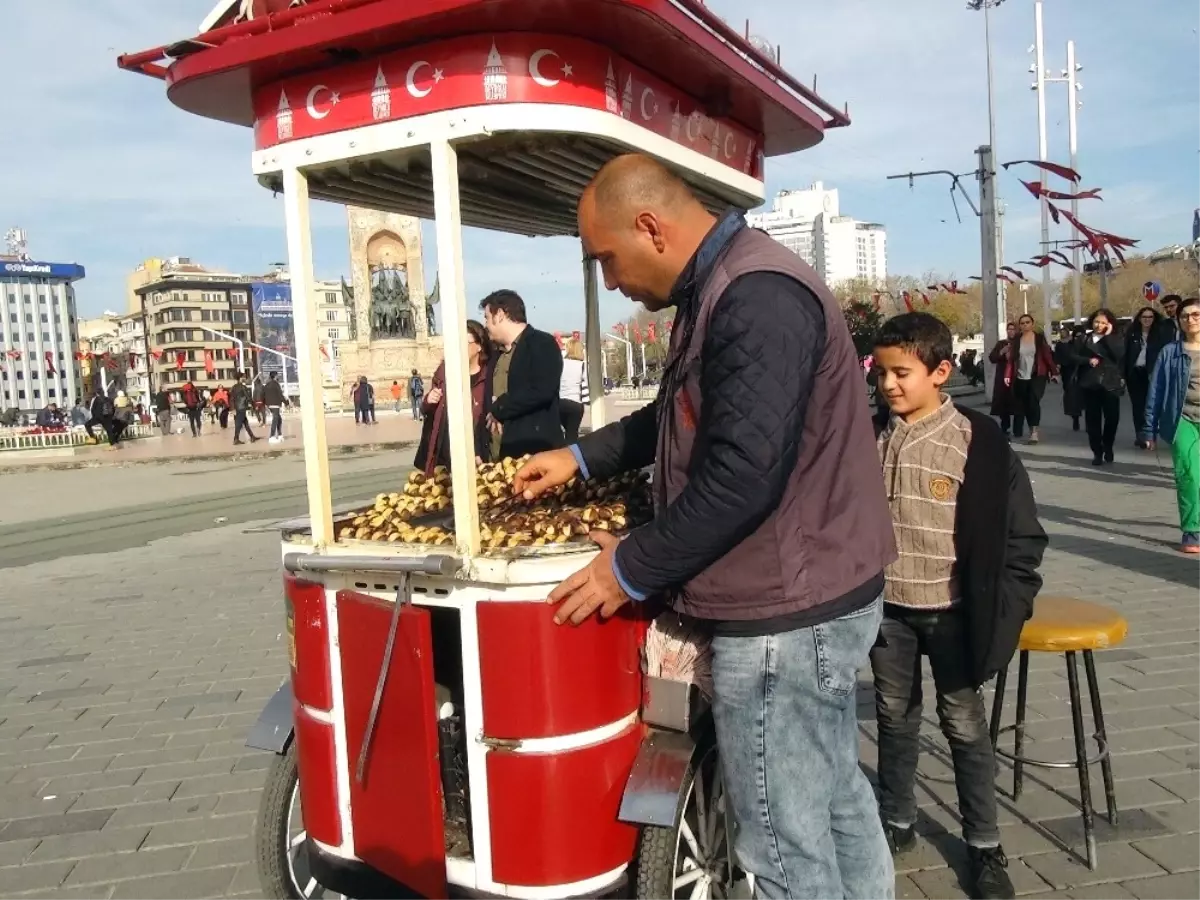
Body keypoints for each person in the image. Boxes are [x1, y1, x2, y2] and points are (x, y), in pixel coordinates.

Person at [512, 154, 897, 900]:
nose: (611, 281)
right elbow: (682, 415)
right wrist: (581, 458)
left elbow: (743, 476)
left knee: (783, 842)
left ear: (650, 227)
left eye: (607, 260)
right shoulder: (720, 287)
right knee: (835, 797)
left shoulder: (755, 297)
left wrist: (626, 568)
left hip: (784, 610)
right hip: (808, 591)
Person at [871, 313, 1046, 900]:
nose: (889, 385)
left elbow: (1022, 538)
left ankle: (984, 845)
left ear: (941, 371)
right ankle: (895, 822)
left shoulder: (979, 442)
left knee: (964, 726)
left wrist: (1009, 606)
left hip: (954, 614)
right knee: (895, 718)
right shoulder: (871, 436)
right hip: (888, 612)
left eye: (902, 373)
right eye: (881, 373)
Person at [1142, 297, 1200, 552]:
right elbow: (1156, 391)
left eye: (1196, 314)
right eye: (1185, 316)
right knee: (1188, 475)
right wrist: (1149, 429)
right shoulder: (1170, 352)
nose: (1191, 319)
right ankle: (1192, 531)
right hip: (1183, 420)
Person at [480, 289, 565, 458]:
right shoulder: (496, 354)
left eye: (487, 318)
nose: (486, 325)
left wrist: (501, 407)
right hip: (499, 455)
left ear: (500, 315)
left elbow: (542, 390)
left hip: (533, 451)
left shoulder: (541, 343)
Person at [415, 320, 494, 472]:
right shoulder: (444, 370)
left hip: (475, 453)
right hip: (445, 451)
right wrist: (428, 401)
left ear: (479, 346)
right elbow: (427, 410)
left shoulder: (489, 376)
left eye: (464, 342)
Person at [1074, 308, 1125, 466]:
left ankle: (1108, 445)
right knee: (1092, 420)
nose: (1099, 325)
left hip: (1110, 383)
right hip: (1090, 383)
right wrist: (1087, 361)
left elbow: (1119, 355)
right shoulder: (1084, 339)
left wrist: (1108, 336)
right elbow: (1072, 356)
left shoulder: (1116, 338)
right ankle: (1097, 451)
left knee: (1112, 418)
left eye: (1103, 322)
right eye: (1097, 321)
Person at [1004, 314, 1058, 443]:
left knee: (1033, 401)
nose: (1025, 325)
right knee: (1026, 404)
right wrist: (1007, 374)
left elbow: (1047, 356)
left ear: (1032, 324)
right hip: (1021, 376)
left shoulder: (1039, 339)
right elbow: (1012, 360)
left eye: (1027, 322)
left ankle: (1034, 432)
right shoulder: (1017, 340)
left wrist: (1054, 372)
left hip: (1037, 375)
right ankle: (1030, 428)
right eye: (1022, 323)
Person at [1126, 306, 1161, 447]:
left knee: (1151, 405)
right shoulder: (1132, 334)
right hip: (1135, 373)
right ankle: (1140, 435)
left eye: (1150, 317)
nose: (1147, 320)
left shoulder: (1159, 334)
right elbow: (1125, 355)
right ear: (1139, 319)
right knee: (1138, 406)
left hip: (1152, 373)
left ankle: (1150, 435)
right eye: (1144, 317)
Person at [988, 323, 1017, 436]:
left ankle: (1017, 429)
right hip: (1003, 376)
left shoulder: (1020, 343)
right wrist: (1002, 352)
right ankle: (1005, 427)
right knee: (1003, 402)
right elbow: (992, 358)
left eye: (1013, 329)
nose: (1011, 332)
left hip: (1017, 376)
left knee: (1017, 402)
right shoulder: (1001, 344)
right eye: (1009, 329)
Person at [558, 336, 589, 444]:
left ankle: (558, 454)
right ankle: (570, 457)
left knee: (559, 433)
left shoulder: (560, 363)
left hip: (559, 403)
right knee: (572, 434)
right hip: (575, 403)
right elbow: (587, 383)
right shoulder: (583, 365)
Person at [1054, 326, 1085, 432]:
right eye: (1061, 332)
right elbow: (1057, 356)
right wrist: (1057, 366)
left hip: (1079, 369)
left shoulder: (1075, 343)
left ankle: (1087, 418)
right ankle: (1075, 417)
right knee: (1070, 394)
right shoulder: (1059, 344)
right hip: (1066, 370)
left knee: (1082, 395)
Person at [1147, 293, 1182, 375]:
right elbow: (1154, 349)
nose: (1169, 309)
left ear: (1180, 305)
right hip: (1168, 367)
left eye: (1172, 306)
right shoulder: (1162, 326)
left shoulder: (1191, 322)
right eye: (1166, 307)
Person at [230, 372, 259, 445]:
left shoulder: (234, 387)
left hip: (237, 408)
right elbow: (248, 397)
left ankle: (252, 436)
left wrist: (233, 408)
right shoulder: (243, 387)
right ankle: (236, 439)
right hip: (241, 407)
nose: (245, 378)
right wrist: (254, 405)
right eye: (243, 377)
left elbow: (231, 399)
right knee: (238, 424)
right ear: (240, 378)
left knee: (245, 423)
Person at [263, 371, 288, 443]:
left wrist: (266, 404)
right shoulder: (276, 384)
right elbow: (280, 395)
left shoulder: (267, 385)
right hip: (275, 404)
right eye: (277, 375)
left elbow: (263, 395)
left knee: (279, 419)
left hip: (270, 405)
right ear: (275, 376)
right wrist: (286, 402)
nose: (278, 377)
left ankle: (280, 435)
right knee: (275, 420)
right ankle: (272, 436)